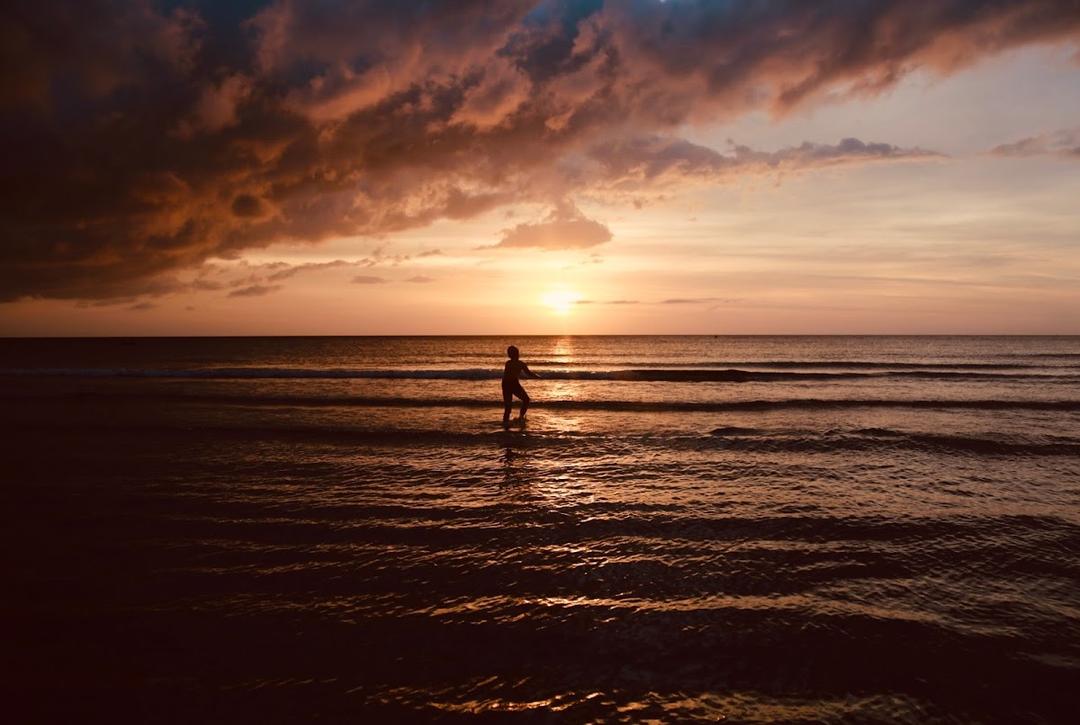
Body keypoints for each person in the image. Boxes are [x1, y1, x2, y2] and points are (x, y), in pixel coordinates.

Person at [502, 345, 539, 425]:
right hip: (510, 384)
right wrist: (537, 376)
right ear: (517, 354)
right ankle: (515, 420)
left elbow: (528, 373)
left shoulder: (512, 363)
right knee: (523, 401)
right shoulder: (515, 364)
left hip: (509, 384)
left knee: (511, 405)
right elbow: (528, 373)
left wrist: (536, 376)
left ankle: (516, 419)